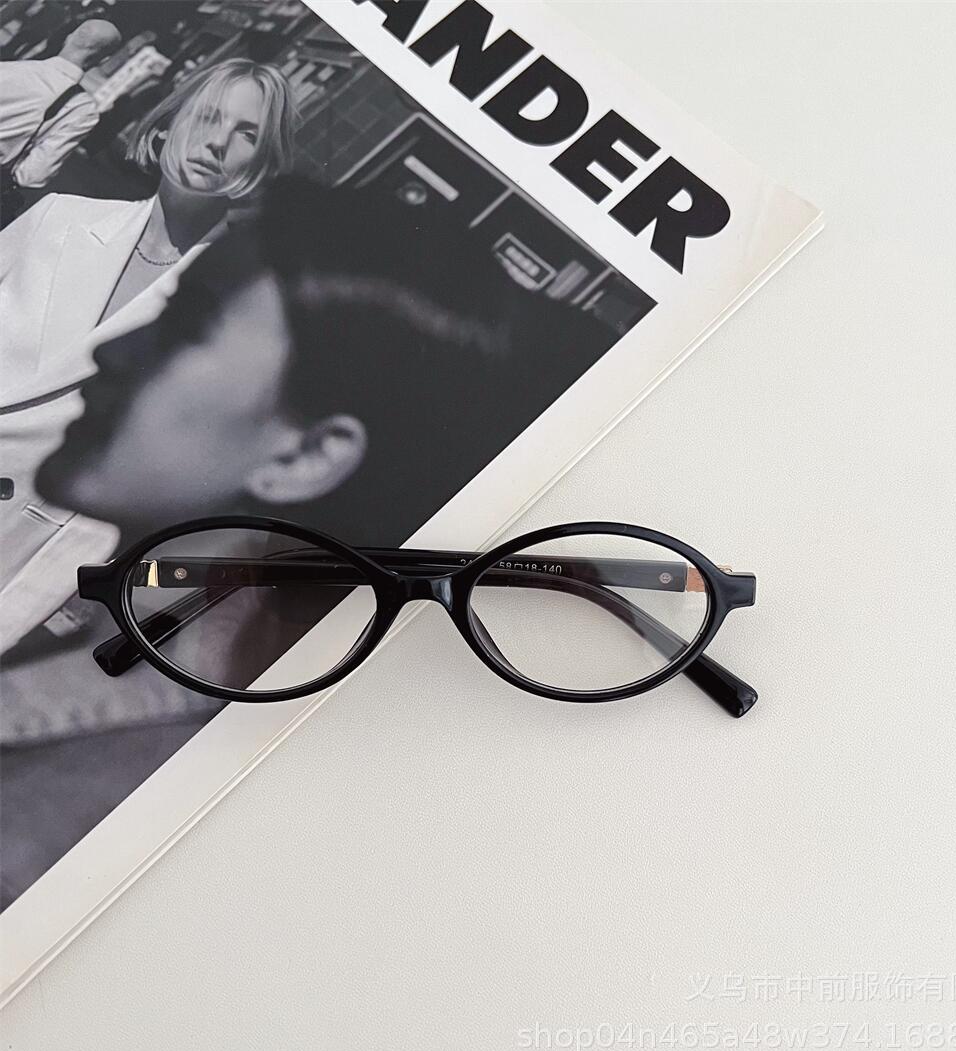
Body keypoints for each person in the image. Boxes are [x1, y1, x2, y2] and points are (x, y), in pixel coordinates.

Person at [0, 175, 564, 907]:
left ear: (304, 456)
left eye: (186, 328)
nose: (112, 351)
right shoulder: (127, 629)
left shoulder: (105, 789)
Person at [0, 57, 297, 654]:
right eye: (208, 116)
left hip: (25, 546)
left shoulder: (237, 314)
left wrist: (67, 601)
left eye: (246, 133)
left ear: (263, 164)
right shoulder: (59, 217)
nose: (218, 141)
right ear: (166, 125)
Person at [0, 19, 120, 192]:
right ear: (104, 59)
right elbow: (33, 175)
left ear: (68, 38)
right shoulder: (82, 110)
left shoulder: (7, 69)